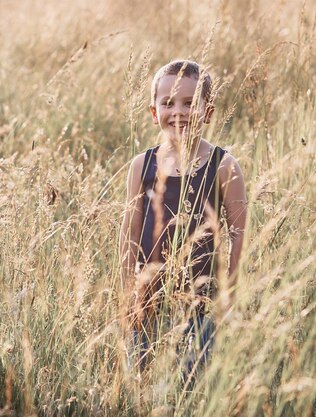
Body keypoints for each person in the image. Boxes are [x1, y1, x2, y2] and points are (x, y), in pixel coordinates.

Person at [119, 60, 247, 382]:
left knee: (195, 383)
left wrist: (228, 295)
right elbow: (129, 236)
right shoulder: (141, 165)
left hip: (203, 306)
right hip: (148, 303)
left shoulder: (222, 165)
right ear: (153, 112)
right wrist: (128, 295)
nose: (178, 112)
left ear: (208, 111)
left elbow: (241, 234)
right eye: (168, 103)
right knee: (146, 383)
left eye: (190, 103)